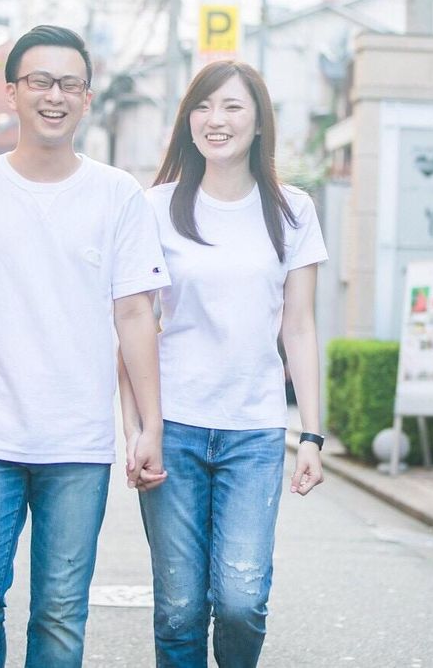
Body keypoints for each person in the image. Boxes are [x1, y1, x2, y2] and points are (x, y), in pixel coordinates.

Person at [0, 25, 170, 668]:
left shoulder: (117, 195)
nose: (55, 96)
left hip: (78, 444)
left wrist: (150, 426)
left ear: (87, 98)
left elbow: (135, 313)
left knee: (59, 614)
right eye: (41, 82)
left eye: (70, 84)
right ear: (13, 92)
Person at [119, 60, 328, 668]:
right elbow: (132, 325)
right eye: (204, 106)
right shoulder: (154, 208)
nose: (217, 119)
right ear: (188, 120)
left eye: (233, 106)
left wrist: (311, 435)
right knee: (179, 608)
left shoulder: (292, 211)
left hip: (254, 432)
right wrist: (137, 429)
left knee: (241, 601)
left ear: (259, 122)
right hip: (174, 426)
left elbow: (300, 327)